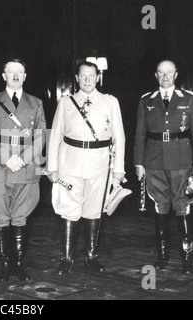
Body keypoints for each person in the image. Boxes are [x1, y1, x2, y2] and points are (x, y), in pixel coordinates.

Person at [47, 61, 126, 274]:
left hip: (99, 163)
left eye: (91, 75)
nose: (88, 80)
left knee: (93, 210)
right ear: (77, 78)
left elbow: (119, 136)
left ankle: (91, 256)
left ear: (98, 77)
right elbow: (55, 135)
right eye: (83, 76)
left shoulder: (110, 102)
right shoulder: (66, 102)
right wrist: (52, 167)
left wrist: (118, 169)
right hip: (69, 162)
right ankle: (67, 257)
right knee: (69, 210)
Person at [134, 60, 193, 275]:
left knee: (183, 208)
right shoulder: (147, 100)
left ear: (176, 75)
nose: (165, 76)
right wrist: (138, 162)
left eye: (169, 72)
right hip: (153, 163)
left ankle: (187, 260)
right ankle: (162, 258)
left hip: (181, 161)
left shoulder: (188, 99)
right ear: (156, 75)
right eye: (161, 72)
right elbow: (140, 134)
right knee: (160, 209)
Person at [0, 58, 46, 282]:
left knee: (20, 217)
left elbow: (39, 139)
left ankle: (18, 265)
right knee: (0, 216)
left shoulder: (36, 103)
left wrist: (23, 160)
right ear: (4, 75)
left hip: (25, 170)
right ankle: (4, 266)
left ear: (25, 76)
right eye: (11, 72)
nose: (15, 76)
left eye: (20, 72)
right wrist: (7, 159)